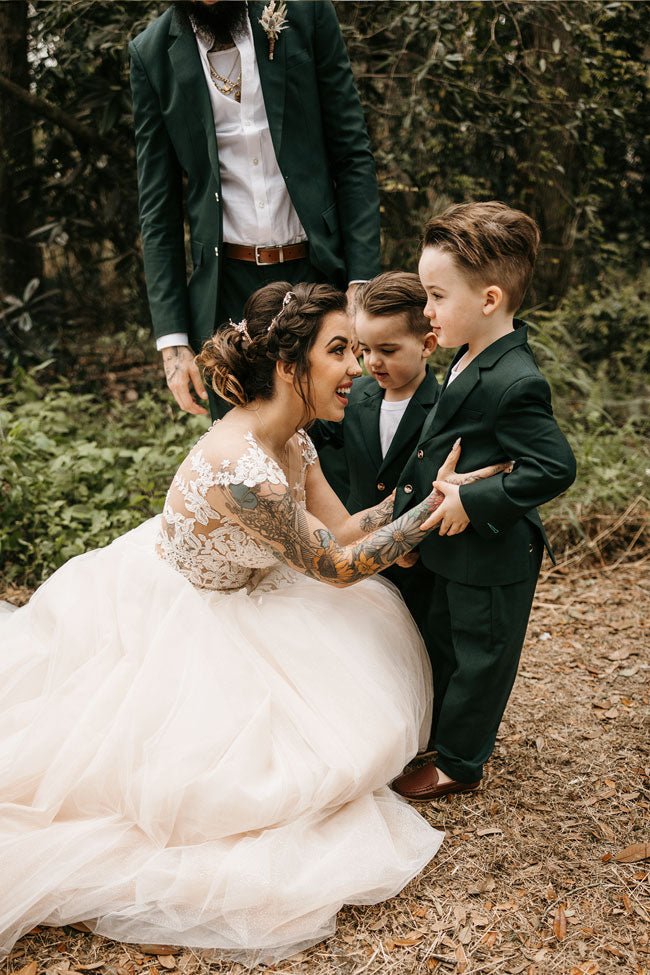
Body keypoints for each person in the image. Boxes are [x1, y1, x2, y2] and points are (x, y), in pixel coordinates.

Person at [0, 282, 508, 964]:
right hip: (181, 617)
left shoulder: (289, 436)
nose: (357, 369)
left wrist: (416, 497)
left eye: (359, 351)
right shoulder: (239, 469)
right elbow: (333, 565)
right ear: (286, 361)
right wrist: (430, 514)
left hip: (259, 587)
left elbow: (338, 527)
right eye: (339, 351)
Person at [390, 201, 577, 802]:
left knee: (481, 657)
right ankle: (444, 735)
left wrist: (481, 499)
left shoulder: (515, 378)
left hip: (494, 553)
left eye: (437, 296)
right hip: (454, 547)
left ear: (489, 300)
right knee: (446, 641)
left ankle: (461, 762)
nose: (426, 310)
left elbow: (555, 465)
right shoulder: (470, 356)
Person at [129, 0, 380, 420]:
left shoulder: (305, 12)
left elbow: (352, 155)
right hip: (228, 292)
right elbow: (158, 207)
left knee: (339, 443)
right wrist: (173, 341)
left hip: (317, 273)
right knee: (246, 463)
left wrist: (360, 280)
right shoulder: (151, 53)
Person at [312, 271, 441, 617]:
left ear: (427, 344)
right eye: (365, 349)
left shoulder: (443, 409)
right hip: (357, 557)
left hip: (418, 568)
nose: (372, 362)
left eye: (387, 350)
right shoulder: (353, 396)